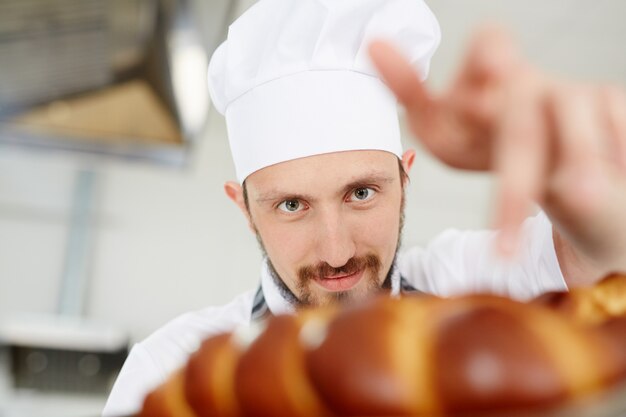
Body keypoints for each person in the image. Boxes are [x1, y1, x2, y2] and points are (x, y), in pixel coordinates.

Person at [102, 0, 626, 415]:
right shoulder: (170, 372)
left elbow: (606, 270)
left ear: (405, 177)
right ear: (244, 209)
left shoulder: (476, 292)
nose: (336, 251)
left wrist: (582, 194)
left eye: (360, 194)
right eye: (291, 205)